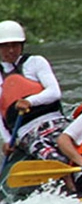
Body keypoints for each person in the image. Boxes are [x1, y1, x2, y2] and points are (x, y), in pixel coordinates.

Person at [0, 19, 69, 163]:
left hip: (54, 121)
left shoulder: (36, 62)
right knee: (56, 159)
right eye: (5, 46)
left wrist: (29, 101)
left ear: (22, 45)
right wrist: (8, 141)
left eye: (15, 45)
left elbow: (54, 92)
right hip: (27, 132)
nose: (11, 50)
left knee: (79, 146)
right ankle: (69, 182)